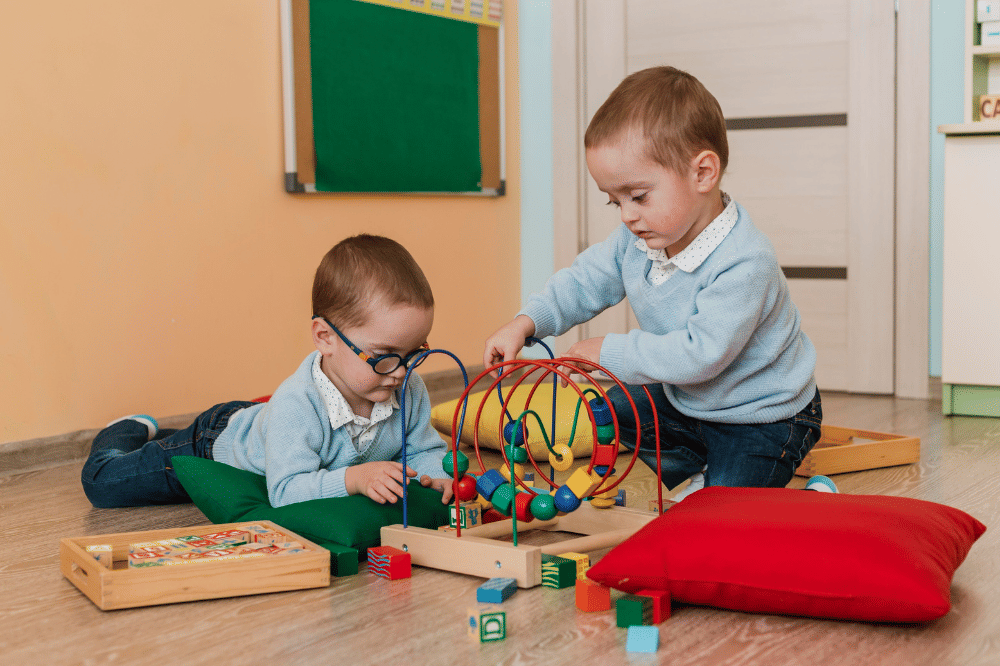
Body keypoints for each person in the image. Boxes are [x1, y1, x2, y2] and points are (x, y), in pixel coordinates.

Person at [484, 66, 822, 493]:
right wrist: (525, 323)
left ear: (703, 173)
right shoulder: (638, 237)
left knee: (725, 514)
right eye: (615, 201)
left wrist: (609, 351)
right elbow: (584, 282)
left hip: (761, 417)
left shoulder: (745, 261)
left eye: (639, 196)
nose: (626, 214)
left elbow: (702, 356)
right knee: (608, 410)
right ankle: (695, 469)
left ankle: (804, 496)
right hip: (688, 402)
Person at [83, 234, 455, 508]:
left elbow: (423, 449)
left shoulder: (408, 387)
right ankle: (125, 431)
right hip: (212, 443)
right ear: (325, 338)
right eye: (385, 356)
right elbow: (286, 491)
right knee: (104, 484)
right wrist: (353, 478)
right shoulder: (298, 406)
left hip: (263, 421)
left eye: (416, 353)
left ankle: (162, 434)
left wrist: (440, 476)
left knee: (253, 426)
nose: (403, 373)